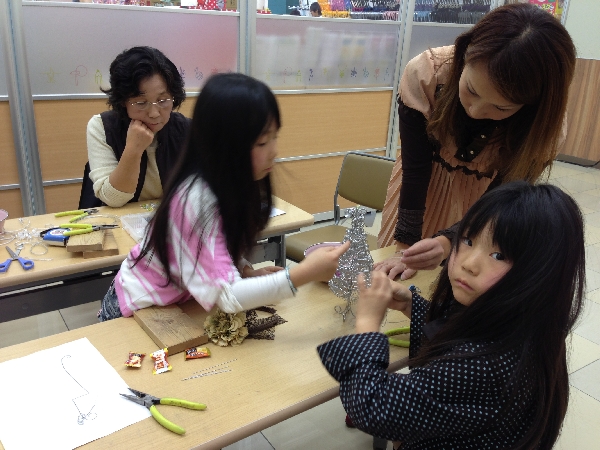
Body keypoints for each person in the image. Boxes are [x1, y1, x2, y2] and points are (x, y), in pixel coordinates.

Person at [319, 181, 585, 449]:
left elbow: (373, 409)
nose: (469, 264)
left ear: (542, 273)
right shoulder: (529, 323)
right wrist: (411, 305)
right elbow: (463, 329)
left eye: (498, 255)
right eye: (468, 241)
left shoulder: (483, 366)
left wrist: (367, 323)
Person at [98, 73, 350, 321]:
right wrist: (304, 273)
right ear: (225, 146)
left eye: (275, 137)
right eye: (262, 142)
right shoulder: (195, 200)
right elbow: (228, 297)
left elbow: (217, 244)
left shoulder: (230, 184)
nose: (274, 151)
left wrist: (244, 271)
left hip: (176, 304)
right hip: (136, 309)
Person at [374, 3, 576, 280]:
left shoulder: (545, 127)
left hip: (484, 210)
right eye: (471, 90)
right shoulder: (429, 73)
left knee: (459, 287)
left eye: (501, 108)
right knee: (394, 281)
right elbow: (416, 168)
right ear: (465, 54)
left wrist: (451, 240)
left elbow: (503, 199)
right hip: (418, 195)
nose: (476, 111)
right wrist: (406, 245)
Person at [81, 46, 191, 208]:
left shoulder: (186, 129)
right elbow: (113, 199)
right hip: (118, 219)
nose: (154, 113)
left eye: (162, 100)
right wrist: (134, 149)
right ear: (123, 101)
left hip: (167, 218)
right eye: (141, 103)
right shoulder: (102, 127)